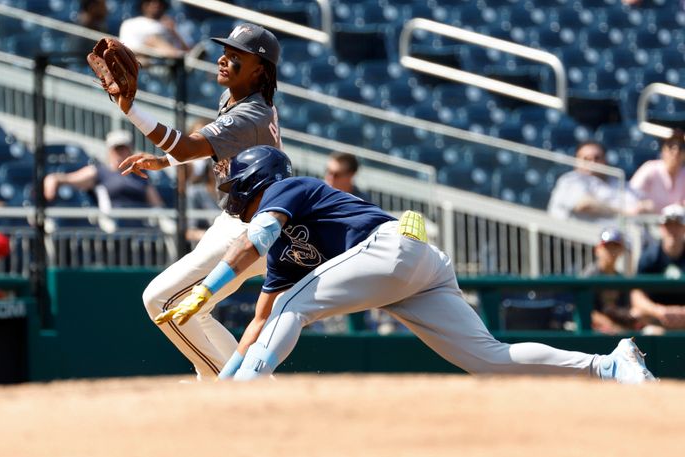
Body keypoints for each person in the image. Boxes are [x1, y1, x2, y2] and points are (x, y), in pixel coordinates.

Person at [155, 146, 657, 385]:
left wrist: (210, 287)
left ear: (253, 181)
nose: (232, 198)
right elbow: (260, 324)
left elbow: (256, 238)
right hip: (416, 271)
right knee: (488, 359)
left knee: (292, 303)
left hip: (391, 247)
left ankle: (246, 398)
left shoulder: (285, 187)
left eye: (235, 188)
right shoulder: (286, 259)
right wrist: (225, 380)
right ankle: (610, 365)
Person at [110, 23, 281, 378]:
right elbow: (205, 146)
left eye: (236, 57)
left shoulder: (251, 114)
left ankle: (229, 384)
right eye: (226, 52)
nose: (223, 60)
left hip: (252, 227)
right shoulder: (238, 98)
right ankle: (253, 383)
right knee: (194, 310)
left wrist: (131, 111)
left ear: (259, 70)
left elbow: (188, 145)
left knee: (159, 299)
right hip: (240, 219)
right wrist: (163, 161)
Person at [43, 129, 165, 215]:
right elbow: (68, 179)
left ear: (130, 151)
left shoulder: (141, 174)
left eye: (123, 149)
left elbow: (156, 204)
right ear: (109, 151)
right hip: (114, 228)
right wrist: (53, 179)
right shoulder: (100, 171)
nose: (120, 154)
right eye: (116, 150)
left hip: (143, 229)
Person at [548, 140, 651, 224]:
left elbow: (644, 203)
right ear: (577, 162)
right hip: (575, 244)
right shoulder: (571, 179)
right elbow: (585, 205)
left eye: (597, 158)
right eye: (586, 159)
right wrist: (625, 212)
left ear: (605, 160)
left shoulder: (616, 180)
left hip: (620, 243)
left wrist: (644, 207)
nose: (592, 163)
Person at [631, 204, 685, 332]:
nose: (673, 230)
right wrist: (659, 311)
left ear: (684, 228)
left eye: (677, 225)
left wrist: (682, 312)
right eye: (668, 225)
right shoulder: (649, 256)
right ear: (661, 228)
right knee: (638, 317)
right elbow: (637, 295)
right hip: (656, 320)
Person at [580, 228, 641, 334]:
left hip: (618, 329)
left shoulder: (620, 277)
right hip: (592, 331)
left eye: (615, 247)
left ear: (621, 250)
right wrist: (612, 326)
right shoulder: (589, 275)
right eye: (607, 247)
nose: (610, 251)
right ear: (597, 249)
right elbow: (585, 310)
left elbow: (626, 308)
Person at [629, 129, 685, 214]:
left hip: (678, 225)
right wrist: (642, 205)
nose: (676, 151)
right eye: (670, 146)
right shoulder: (650, 168)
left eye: (681, 148)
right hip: (650, 224)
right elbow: (629, 194)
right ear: (663, 151)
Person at [119, 0, 190, 60]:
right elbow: (127, 51)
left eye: (159, 1)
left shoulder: (172, 25)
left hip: (172, 66)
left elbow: (187, 50)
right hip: (146, 63)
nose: (156, 4)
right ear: (143, 4)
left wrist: (174, 32)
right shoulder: (130, 24)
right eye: (151, 1)